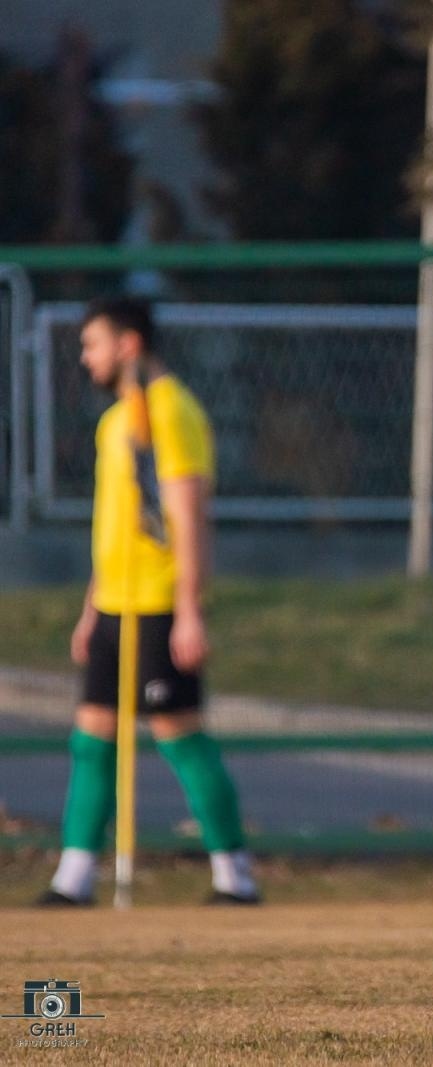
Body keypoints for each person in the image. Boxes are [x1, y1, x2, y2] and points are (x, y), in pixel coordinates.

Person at [38, 296, 259, 906]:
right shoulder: (115, 423)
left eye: (93, 345)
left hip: (158, 605)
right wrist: (91, 609)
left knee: (178, 734)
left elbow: (185, 516)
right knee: (92, 739)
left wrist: (189, 610)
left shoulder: (172, 412)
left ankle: (234, 873)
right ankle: (74, 878)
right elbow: (118, 526)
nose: (86, 358)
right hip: (115, 604)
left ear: (128, 344)